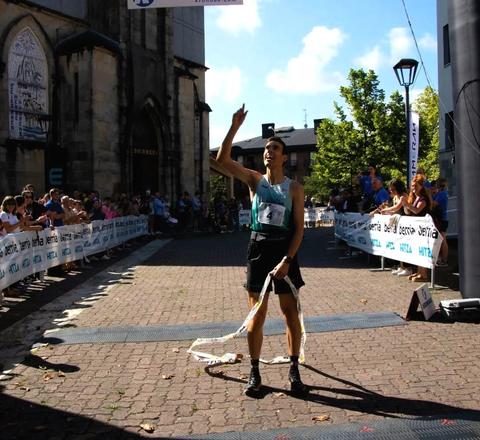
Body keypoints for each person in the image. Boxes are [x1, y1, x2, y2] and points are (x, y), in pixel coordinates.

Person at [216, 104, 307, 396]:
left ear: (283, 157)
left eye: (275, 148)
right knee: (257, 314)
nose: (269, 151)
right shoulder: (255, 180)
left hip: (284, 250)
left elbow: (299, 229)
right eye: (267, 148)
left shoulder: (294, 188)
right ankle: (254, 372)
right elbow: (221, 159)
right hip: (258, 249)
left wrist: (288, 260)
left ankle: (294, 369)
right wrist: (234, 127)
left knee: (289, 312)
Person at [402, 174, 432, 282]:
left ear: (421, 186)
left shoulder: (423, 198)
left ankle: (423, 274)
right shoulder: (415, 197)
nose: (413, 188)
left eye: (416, 186)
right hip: (417, 229)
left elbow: (416, 210)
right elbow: (408, 212)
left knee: (422, 250)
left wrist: (407, 204)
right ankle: (419, 272)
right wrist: (405, 204)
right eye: (412, 186)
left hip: (424, 229)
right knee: (418, 250)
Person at [431, 178, 449, 266]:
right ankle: (441, 259)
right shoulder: (442, 193)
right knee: (441, 239)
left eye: (436, 184)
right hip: (441, 218)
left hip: (442, 219)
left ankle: (444, 260)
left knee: (442, 239)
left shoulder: (442, 194)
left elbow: (433, 204)